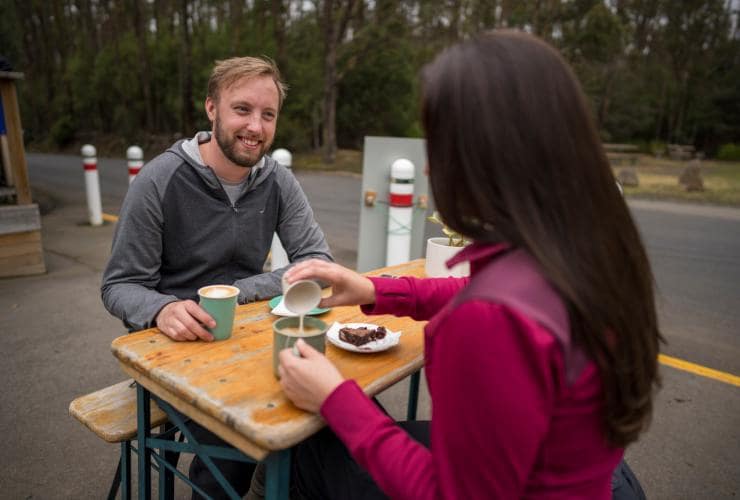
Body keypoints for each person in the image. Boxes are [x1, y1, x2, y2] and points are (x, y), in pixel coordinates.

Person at [275, 31, 660, 499]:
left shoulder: (491, 320)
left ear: (486, 153)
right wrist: (376, 290)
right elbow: (497, 301)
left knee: (304, 453)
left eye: (438, 144)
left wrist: (335, 398)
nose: (431, 170)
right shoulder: (588, 250)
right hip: (596, 479)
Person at [101, 56, 333, 499]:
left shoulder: (277, 180)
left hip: (251, 340)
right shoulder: (158, 180)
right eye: (242, 109)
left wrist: (238, 292)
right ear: (211, 109)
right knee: (235, 440)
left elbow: (317, 262)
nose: (255, 127)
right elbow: (119, 284)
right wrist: (163, 307)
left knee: (324, 409)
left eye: (268, 115)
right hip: (175, 349)